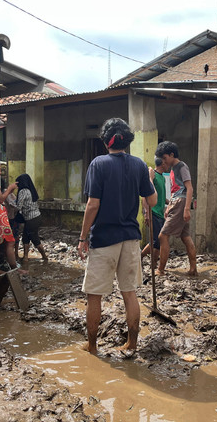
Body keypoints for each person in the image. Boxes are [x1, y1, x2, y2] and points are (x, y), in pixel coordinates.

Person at [77, 118, 157, 355]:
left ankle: (92, 346)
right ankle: (132, 343)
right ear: (127, 140)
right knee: (129, 293)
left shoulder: (98, 164)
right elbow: (151, 201)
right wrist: (150, 181)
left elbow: (92, 205)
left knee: (94, 295)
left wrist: (83, 238)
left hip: (103, 239)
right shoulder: (139, 165)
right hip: (131, 238)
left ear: (105, 141)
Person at [154, 141, 197, 276]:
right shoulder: (173, 169)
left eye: (165, 158)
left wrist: (186, 209)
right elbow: (176, 190)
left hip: (181, 203)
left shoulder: (181, 166)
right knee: (185, 236)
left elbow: (189, 188)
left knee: (162, 235)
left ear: (172, 155)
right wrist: (170, 206)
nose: (164, 162)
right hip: (177, 202)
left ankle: (160, 269)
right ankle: (193, 268)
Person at [15, 173, 49, 266]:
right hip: (37, 217)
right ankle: (26, 257)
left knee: (34, 238)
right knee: (26, 237)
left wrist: (9, 205)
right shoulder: (31, 190)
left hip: (31, 219)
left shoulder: (23, 191)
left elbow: (18, 207)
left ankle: (44, 257)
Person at [141, 156, 168, 266]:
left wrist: (171, 202)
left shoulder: (162, 178)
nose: (168, 165)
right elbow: (145, 196)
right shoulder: (153, 177)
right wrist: (147, 213)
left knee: (159, 241)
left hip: (160, 213)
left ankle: (154, 263)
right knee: (156, 241)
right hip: (154, 212)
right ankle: (140, 256)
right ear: (162, 163)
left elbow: (161, 196)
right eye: (166, 163)